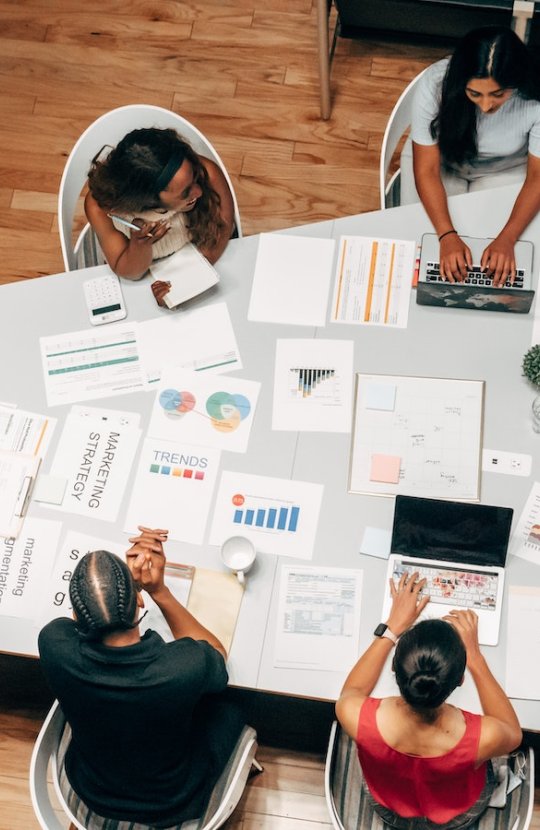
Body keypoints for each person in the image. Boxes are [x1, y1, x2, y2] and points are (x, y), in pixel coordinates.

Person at [38, 526, 245, 828]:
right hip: (173, 800)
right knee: (229, 708)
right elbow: (216, 653)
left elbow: (74, 622)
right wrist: (157, 589)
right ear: (140, 603)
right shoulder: (182, 668)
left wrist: (111, 595)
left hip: (93, 788)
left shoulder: (54, 644)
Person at [336, 571, 522, 830]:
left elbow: (352, 689)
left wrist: (392, 629)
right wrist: (476, 659)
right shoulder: (482, 737)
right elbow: (513, 734)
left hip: (388, 806)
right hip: (456, 814)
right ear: (460, 680)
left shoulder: (355, 715)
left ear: (393, 667)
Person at [404, 26, 540, 285]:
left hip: (505, 167)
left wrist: (507, 238)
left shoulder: (535, 98)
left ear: (517, 81)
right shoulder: (434, 85)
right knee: (423, 247)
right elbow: (426, 170)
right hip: (441, 163)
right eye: (475, 93)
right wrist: (446, 235)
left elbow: (537, 177)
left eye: (498, 94)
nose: (487, 105)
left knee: (505, 249)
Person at [84, 127, 236, 306]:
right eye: (185, 193)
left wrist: (184, 284)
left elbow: (222, 229)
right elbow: (131, 273)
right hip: (144, 275)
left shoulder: (207, 171)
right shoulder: (99, 208)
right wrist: (140, 246)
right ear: (147, 201)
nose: (199, 191)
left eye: (195, 177)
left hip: (202, 257)